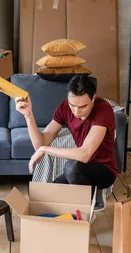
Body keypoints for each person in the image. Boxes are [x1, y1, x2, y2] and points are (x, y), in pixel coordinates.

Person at [15, 75, 117, 211]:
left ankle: (89, 206)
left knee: (71, 167)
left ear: (93, 99)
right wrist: (28, 115)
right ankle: (87, 197)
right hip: (79, 171)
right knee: (45, 198)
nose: (76, 111)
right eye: (72, 105)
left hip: (104, 170)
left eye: (83, 106)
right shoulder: (65, 108)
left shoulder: (104, 109)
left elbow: (84, 154)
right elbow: (40, 144)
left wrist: (45, 149)